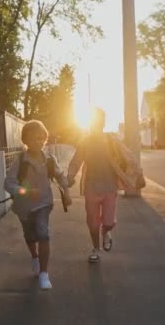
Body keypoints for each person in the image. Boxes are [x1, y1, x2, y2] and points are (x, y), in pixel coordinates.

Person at [67, 108, 142, 263]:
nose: (97, 123)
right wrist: (69, 177)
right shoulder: (85, 142)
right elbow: (76, 161)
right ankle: (95, 249)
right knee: (92, 222)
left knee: (108, 222)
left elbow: (128, 155)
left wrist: (138, 172)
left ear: (103, 122)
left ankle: (106, 232)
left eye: (100, 120)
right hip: (91, 187)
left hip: (110, 187)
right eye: (94, 120)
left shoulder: (111, 140)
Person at [4, 120, 72, 290]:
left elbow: (59, 176)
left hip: (44, 203)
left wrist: (67, 190)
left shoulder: (49, 159)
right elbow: (8, 183)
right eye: (34, 138)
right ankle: (34, 257)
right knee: (30, 236)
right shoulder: (20, 160)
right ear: (25, 140)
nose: (38, 141)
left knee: (43, 233)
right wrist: (24, 192)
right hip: (24, 206)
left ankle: (44, 274)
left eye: (42, 138)